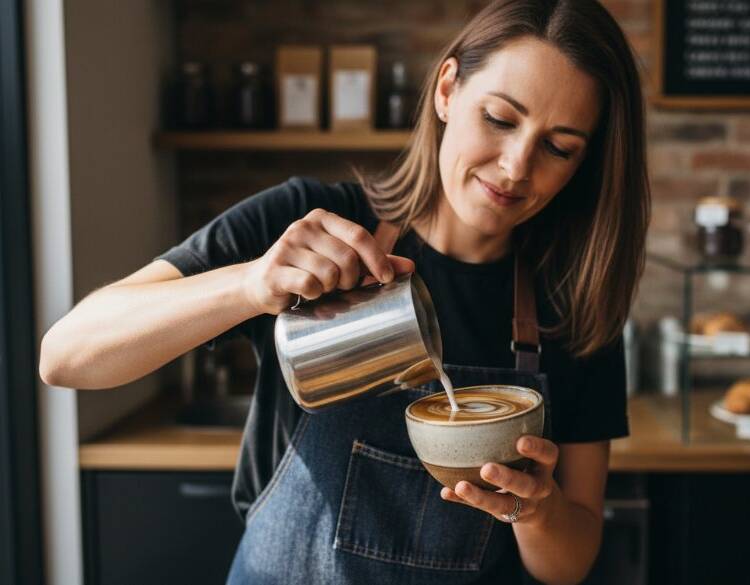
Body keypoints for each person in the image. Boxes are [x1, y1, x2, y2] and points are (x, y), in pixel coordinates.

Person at [39, 0, 649, 583]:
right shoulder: (309, 223)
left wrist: (537, 512)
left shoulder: (576, 302)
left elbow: (569, 564)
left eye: (558, 147)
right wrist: (250, 283)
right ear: (447, 90)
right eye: (499, 119)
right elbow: (66, 355)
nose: (516, 166)